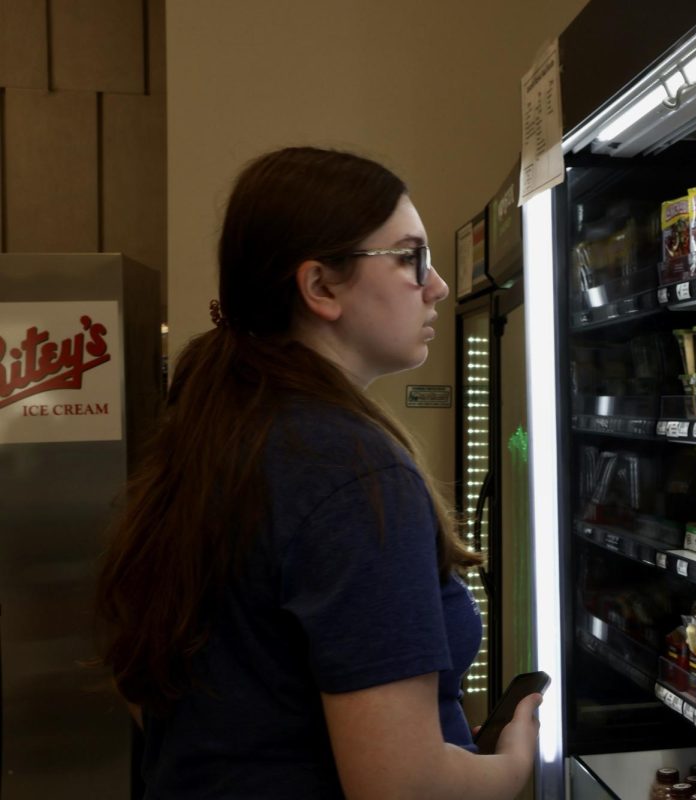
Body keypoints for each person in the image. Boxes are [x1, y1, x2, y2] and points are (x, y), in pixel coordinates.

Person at [95, 146, 541, 799]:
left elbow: (140, 683)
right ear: (320, 287)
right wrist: (516, 761)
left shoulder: (218, 430)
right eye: (411, 257)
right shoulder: (355, 475)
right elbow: (402, 789)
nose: (438, 285)